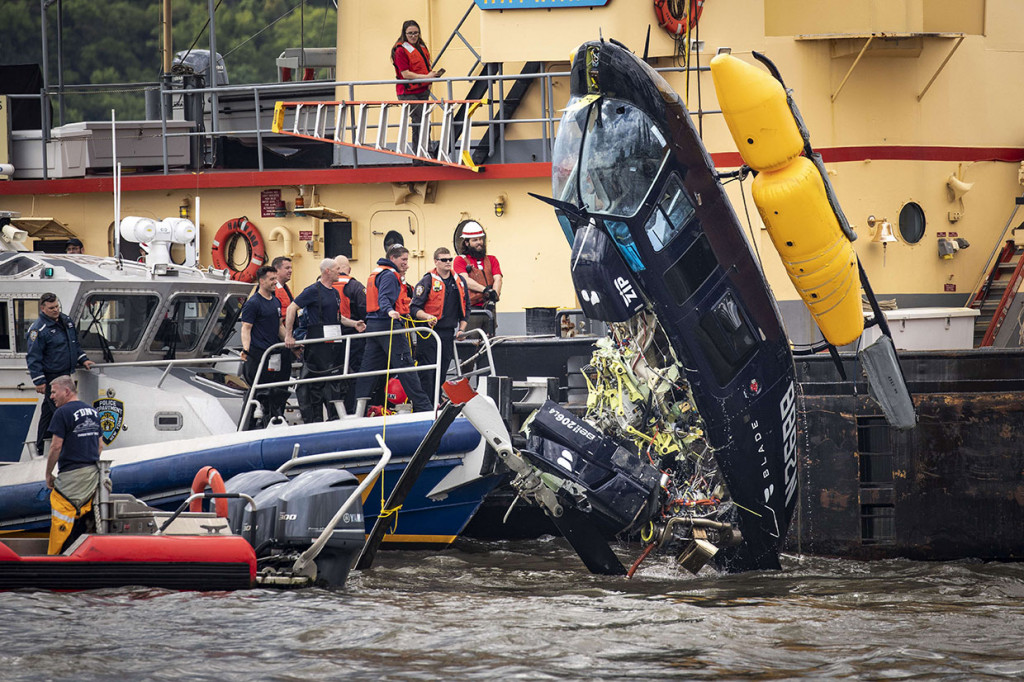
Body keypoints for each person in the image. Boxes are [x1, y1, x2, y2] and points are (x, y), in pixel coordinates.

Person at [285, 259, 366, 423]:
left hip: (334, 345)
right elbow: (292, 307)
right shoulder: (313, 290)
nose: (340, 272)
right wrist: (289, 335)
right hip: (318, 346)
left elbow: (337, 317)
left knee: (335, 382)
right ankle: (314, 419)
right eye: (337, 269)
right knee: (315, 386)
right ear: (327, 271)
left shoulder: (335, 293)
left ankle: (334, 416)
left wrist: (354, 323)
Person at [354, 244, 432, 414]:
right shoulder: (389, 275)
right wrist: (390, 311)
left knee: (368, 370)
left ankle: (355, 410)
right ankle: (425, 408)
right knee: (406, 367)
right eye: (403, 260)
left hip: (374, 326)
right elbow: (383, 298)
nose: (407, 264)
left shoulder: (378, 272)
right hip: (388, 325)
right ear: (393, 259)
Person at [26, 293, 95, 457]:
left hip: (65, 374)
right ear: (43, 308)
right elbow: (33, 356)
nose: (56, 310)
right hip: (52, 377)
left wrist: (83, 359)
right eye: (51, 308)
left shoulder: (66, 321)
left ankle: (42, 446)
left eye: (57, 306)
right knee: (62, 410)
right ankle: (66, 447)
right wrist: (39, 380)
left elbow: (73, 344)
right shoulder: (38, 329)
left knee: (48, 412)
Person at [44, 375, 102, 555]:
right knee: (83, 517)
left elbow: (55, 446)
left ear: (66, 391)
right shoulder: (93, 411)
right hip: (92, 475)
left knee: (63, 512)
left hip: (71, 476)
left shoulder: (62, 413)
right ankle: (81, 553)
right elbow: (100, 445)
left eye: (54, 392)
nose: (51, 396)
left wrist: (48, 473)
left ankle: (57, 557)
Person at [411, 247, 469, 397]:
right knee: (428, 372)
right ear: (436, 262)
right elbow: (414, 307)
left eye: (450, 259)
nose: (448, 262)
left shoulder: (459, 281)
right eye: (444, 260)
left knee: (442, 370)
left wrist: (462, 329)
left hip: (448, 333)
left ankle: (436, 401)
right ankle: (426, 405)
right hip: (429, 333)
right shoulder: (427, 280)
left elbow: (466, 308)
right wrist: (427, 317)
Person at [240, 265, 291, 429]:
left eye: (275, 279)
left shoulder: (275, 301)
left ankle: (273, 421)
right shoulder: (253, 303)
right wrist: (246, 349)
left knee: (275, 391)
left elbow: (279, 327)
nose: (275, 282)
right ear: (261, 281)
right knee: (257, 391)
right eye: (271, 279)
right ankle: (247, 426)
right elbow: (246, 328)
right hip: (258, 354)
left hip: (273, 353)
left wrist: (290, 342)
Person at [390, 19, 440, 154]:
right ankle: (422, 155)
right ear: (404, 34)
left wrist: (429, 80)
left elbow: (424, 68)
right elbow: (405, 74)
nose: (413, 36)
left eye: (416, 33)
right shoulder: (400, 50)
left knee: (423, 122)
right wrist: (427, 78)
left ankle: (422, 154)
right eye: (410, 33)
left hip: (422, 90)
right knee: (420, 122)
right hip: (408, 92)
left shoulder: (422, 47)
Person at [453, 220, 502, 333]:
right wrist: (486, 291)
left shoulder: (492, 259)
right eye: (475, 240)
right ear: (466, 242)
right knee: (472, 341)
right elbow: (465, 280)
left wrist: (495, 295)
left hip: (489, 309)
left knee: (490, 341)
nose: (479, 242)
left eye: (480, 239)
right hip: (472, 310)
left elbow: (498, 278)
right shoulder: (460, 260)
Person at [333, 255, 367, 416]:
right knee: (356, 373)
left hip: (331, 338)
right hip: (354, 336)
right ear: (349, 269)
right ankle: (355, 409)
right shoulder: (355, 286)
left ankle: (333, 413)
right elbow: (365, 311)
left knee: (334, 375)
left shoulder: (323, 285)